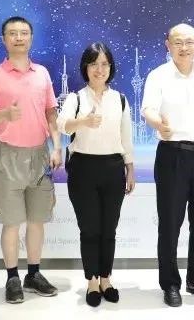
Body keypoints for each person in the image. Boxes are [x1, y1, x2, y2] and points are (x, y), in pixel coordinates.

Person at [0, 16, 62, 304]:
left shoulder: (42, 73)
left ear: (31, 38)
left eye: (24, 33)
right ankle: (12, 277)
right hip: (8, 156)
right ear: (4, 40)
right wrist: (5, 115)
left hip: (40, 154)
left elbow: (51, 112)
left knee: (37, 220)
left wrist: (56, 146)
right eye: (12, 33)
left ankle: (33, 274)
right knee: (11, 222)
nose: (19, 37)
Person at [142, 23, 194, 307]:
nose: (184, 47)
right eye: (178, 42)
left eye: (189, 42)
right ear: (168, 45)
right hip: (172, 155)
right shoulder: (158, 75)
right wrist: (158, 123)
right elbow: (148, 109)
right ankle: (170, 283)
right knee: (170, 224)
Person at [58, 42, 136, 307]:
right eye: (94, 64)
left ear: (110, 68)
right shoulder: (76, 98)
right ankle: (92, 280)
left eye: (104, 64)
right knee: (89, 229)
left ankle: (106, 278)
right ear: (86, 68)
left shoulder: (120, 99)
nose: (99, 69)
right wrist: (84, 121)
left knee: (109, 229)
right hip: (83, 169)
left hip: (113, 168)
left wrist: (130, 168)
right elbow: (62, 125)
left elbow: (126, 137)